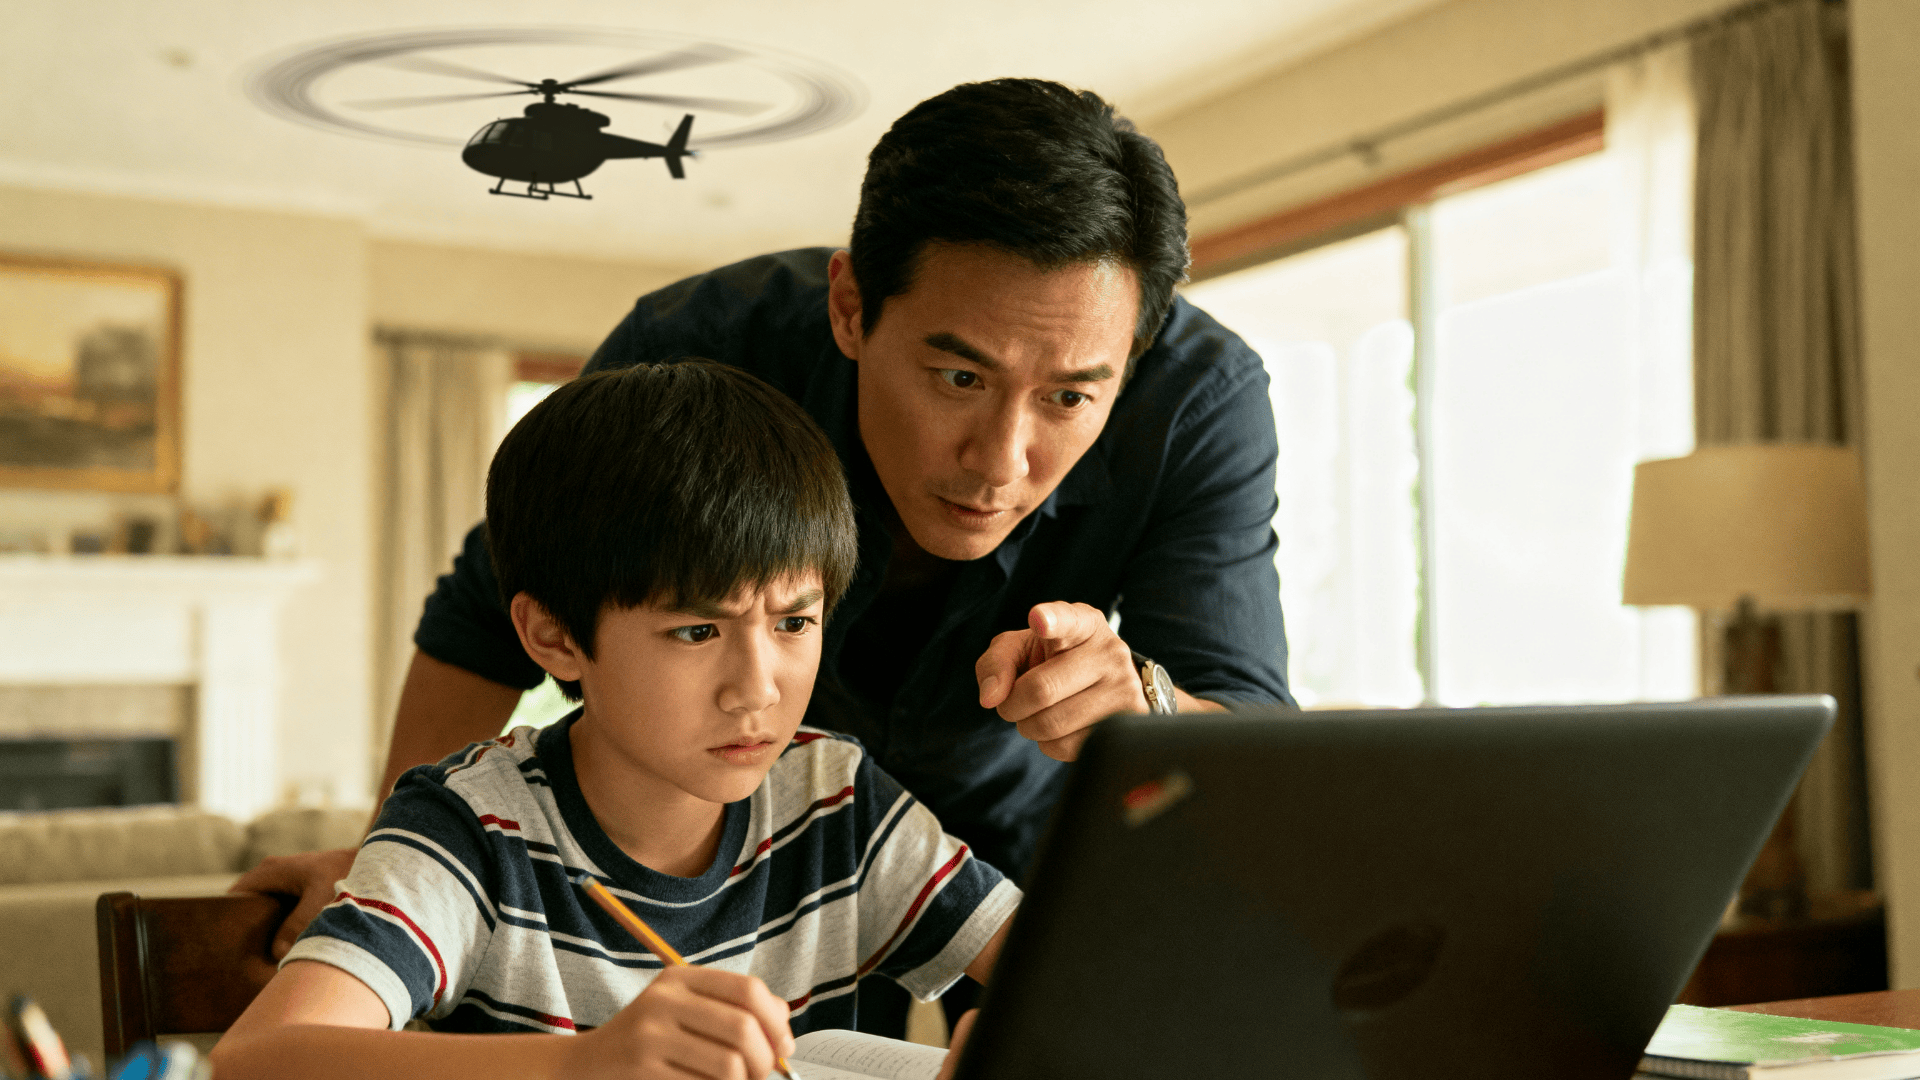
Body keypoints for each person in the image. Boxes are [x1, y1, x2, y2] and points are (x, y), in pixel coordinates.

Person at [239, 76, 1292, 1033]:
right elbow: (488, 618)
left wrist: (1142, 715)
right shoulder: (696, 355)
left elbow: (1251, 743)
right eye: (959, 379)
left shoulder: (1201, 404)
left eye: (1070, 397)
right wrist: (389, 862)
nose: (1000, 462)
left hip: (966, 839)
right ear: (849, 306)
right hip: (734, 832)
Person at [211, 362, 1017, 1080]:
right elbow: (253, 1063)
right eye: (698, 631)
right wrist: (586, 1064)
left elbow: (1079, 980)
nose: (756, 689)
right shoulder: (472, 827)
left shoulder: (834, 798)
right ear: (554, 636)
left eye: (793, 624)